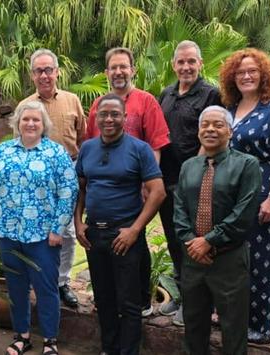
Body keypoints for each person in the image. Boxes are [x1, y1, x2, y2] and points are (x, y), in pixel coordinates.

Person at [0, 101, 78, 355]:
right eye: (26, 119)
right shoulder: (4, 151)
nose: (31, 124)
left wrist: (58, 228)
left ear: (43, 124)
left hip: (43, 235)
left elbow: (69, 191)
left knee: (46, 288)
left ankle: (49, 340)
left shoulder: (55, 153)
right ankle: (21, 336)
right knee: (15, 287)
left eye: (36, 120)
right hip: (8, 233)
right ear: (17, 123)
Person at [219, 48, 270, 344]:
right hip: (232, 196)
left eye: (252, 71)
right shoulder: (229, 109)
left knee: (260, 262)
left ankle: (258, 328)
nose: (246, 76)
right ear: (233, 78)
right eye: (240, 72)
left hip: (264, 191)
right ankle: (233, 322)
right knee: (232, 262)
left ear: (263, 74)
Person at [75, 94, 166, 355]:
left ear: (125, 118)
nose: (109, 119)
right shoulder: (88, 148)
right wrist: (78, 222)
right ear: (96, 118)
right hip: (94, 234)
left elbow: (158, 192)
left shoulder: (139, 149)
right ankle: (109, 349)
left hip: (124, 234)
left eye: (115, 114)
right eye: (104, 114)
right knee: (103, 298)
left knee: (128, 301)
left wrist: (135, 230)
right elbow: (81, 188)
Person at [86, 47, 170, 317]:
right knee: (103, 249)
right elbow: (90, 144)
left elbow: (156, 144)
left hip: (137, 186)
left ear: (133, 69)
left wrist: (147, 183)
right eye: (113, 67)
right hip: (105, 191)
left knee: (136, 244)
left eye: (124, 66)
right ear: (106, 72)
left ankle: (140, 301)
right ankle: (106, 299)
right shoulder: (98, 105)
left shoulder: (146, 101)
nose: (119, 72)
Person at [174, 106, 261, 355]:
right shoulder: (188, 167)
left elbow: (244, 213)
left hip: (229, 260)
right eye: (205, 125)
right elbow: (179, 210)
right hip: (193, 260)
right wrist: (193, 242)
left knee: (233, 328)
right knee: (193, 326)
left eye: (218, 124)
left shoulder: (247, 166)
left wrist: (209, 241)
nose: (210, 129)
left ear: (230, 132)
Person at [156, 40, 222, 325]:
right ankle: (182, 296)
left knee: (194, 242)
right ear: (173, 65)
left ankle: (198, 305)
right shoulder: (166, 94)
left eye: (191, 61)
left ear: (200, 63)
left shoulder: (211, 94)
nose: (186, 67)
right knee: (173, 238)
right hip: (166, 182)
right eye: (181, 62)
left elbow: (210, 137)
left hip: (195, 183)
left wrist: (190, 176)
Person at [18, 48, 87, 308]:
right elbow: (19, 143)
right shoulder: (25, 106)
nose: (44, 75)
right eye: (39, 71)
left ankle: (61, 283)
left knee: (66, 232)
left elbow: (82, 136)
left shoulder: (72, 100)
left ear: (57, 72)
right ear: (32, 75)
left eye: (49, 70)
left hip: (68, 171)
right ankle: (40, 280)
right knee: (37, 230)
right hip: (35, 176)